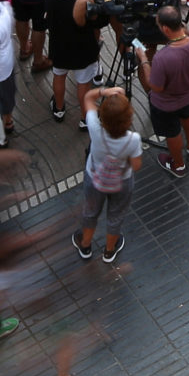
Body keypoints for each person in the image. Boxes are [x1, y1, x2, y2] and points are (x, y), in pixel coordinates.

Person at [135, 5, 189, 177]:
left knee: (172, 132)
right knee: (188, 114)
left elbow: (156, 87)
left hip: (165, 104)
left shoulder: (163, 58)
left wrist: (144, 60)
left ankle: (178, 165)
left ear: (166, 29)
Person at [72, 83, 141, 262]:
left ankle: (85, 244)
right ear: (129, 119)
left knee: (91, 211)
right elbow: (136, 165)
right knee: (116, 214)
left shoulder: (95, 129)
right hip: (122, 182)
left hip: (94, 178)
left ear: (102, 116)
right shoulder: (133, 140)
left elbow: (87, 98)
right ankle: (109, 250)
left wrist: (104, 92)